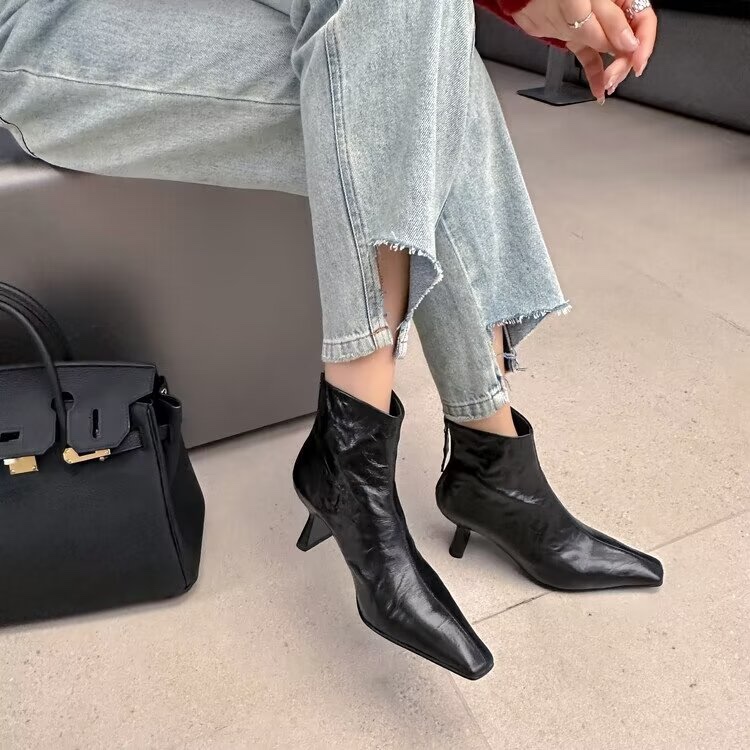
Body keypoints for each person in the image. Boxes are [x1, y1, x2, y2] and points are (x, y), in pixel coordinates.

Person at [0, 0, 663, 680]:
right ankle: (440, 460)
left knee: (408, 67)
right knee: (410, 88)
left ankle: (424, 460)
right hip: (41, 29)